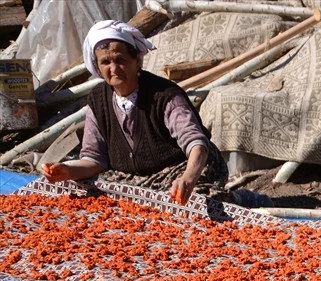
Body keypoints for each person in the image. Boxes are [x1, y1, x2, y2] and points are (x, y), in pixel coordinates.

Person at [39, 19, 227, 204]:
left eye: (120, 60)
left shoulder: (164, 95)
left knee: (198, 201)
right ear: (97, 67)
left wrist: (187, 179)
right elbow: (94, 159)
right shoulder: (98, 99)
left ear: (137, 61)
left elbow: (196, 144)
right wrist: (67, 170)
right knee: (88, 189)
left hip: (180, 169)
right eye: (105, 62)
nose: (113, 69)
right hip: (134, 177)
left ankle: (242, 198)